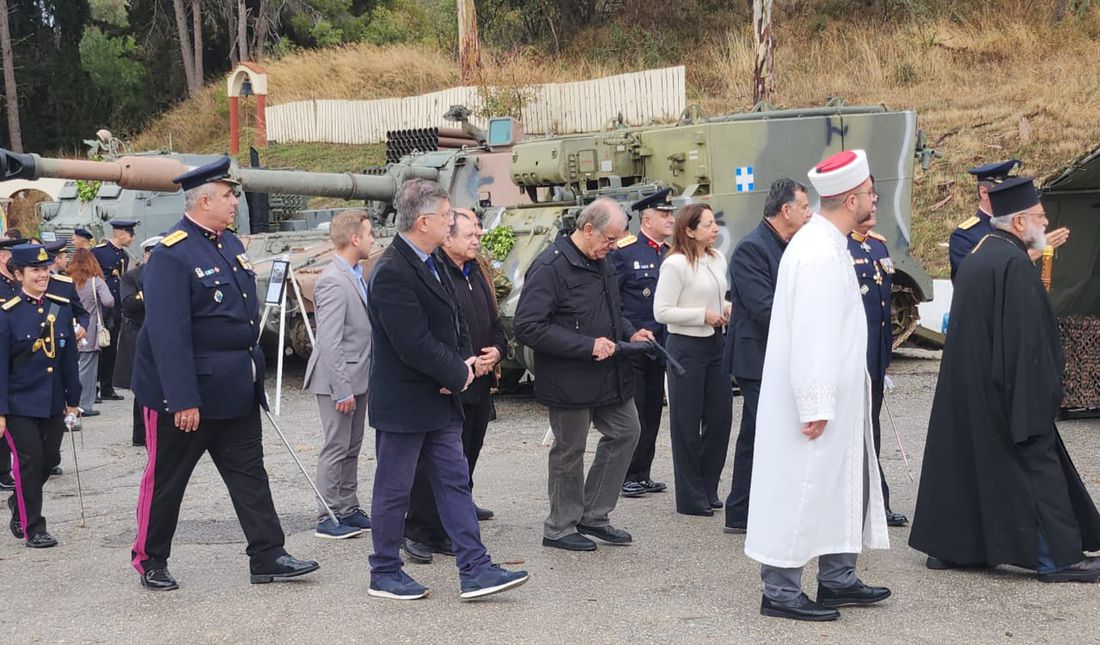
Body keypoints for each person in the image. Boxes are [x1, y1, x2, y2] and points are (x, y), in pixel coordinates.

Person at [130, 157, 318, 591]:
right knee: (167, 480)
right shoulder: (172, 255)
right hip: (186, 395)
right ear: (204, 201)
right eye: (229, 195)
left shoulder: (229, 244)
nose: (235, 202)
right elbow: (168, 336)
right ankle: (150, 558)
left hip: (234, 388)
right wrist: (182, 398)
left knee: (250, 475)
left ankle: (268, 554)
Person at [909, 176, 1100, 582]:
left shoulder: (983, 253)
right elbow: (1025, 341)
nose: (1045, 223)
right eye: (1040, 217)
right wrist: (1038, 396)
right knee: (1035, 467)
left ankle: (955, 548)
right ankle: (1056, 559)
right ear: (1018, 223)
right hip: (1006, 390)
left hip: (973, 387)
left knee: (971, 465)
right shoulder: (1012, 264)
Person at [366, 178, 527, 601]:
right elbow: (412, 342)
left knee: (455, 483)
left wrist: (462, 364)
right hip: (406, 403)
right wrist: (457, 372)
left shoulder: (432, 261)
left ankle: (475, 567)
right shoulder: (392, 270)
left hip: (441, 399)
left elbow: (454, 322)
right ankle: (384, 571)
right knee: (394, 489)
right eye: (444, 216)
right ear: (423, 222)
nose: (450, 222)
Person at [747, 149, 890, 622]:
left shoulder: (827, 243)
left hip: (835, 400)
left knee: (835, 486)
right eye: (869, 193)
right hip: (814, 403)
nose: (874, 199)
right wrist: (815, 402)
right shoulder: (817, 252)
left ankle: (837, 578)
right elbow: (812, 334)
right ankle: (780, 591)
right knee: (801, 486)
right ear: (851, 200)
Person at [514, 197, 653, 552]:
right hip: (569, 377)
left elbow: (612, 309)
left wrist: (630, 332)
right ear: (588, 229)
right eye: (609, 239)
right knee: (569, 450)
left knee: (627, 431)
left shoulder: (600, 260)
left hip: (609, 372)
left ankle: (594, 514)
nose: (613, 247)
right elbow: (527, 326)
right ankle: (560, 527)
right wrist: (587, 345)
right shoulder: (550, 266)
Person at [403, 208, 508, 563]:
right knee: (434, 462)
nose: (477, 240)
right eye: (470, 235)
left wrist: (498, 350)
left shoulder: (477, 272)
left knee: (468, 453)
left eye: (478, 234)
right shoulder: (436, 274)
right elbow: (433, 332)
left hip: (480, 382)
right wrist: (461, 365)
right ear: (447, 239)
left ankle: (449, 521)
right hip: (451, 382)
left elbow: (493, 320)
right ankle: (419, 530)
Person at [721, 178, 811, 534]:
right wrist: (810, 328)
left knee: (755, 433)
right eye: (804, 207)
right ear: (786, 210)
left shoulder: (789, 245)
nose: (810, 214)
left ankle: (740, 511)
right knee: (774, 433)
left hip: (777, 355)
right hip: (756, 358)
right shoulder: (752, 248)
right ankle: (764, 511)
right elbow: (765, 308)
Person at [652, 203, 732, 516]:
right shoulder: (675, 264)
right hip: (685, 347)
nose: (715, 229)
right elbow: (662, 311)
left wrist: (726, 308)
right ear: (689, 230)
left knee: (720, 418)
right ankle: (690, 496)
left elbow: (719, 296)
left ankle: (708, 486)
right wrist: (702, 315)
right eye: (708, 224)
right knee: (686, 422)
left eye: (714, 223)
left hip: (716, 344)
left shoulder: (717, 258)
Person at [0, 243, 81, 548]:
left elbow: (68, 360)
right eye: (35, 270)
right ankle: (34, 527)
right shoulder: (7, 314)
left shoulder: (60, 308)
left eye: (45, 269)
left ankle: (18, 500)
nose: (42, 275)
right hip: (18, 404)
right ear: (19, 274)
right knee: (30, 463)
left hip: (52, 402)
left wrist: (73, 401)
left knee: (49, 461)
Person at [304, 210, 374, 540]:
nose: (373, 239)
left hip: (357, 375)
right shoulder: (333, 280)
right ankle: (328, 514)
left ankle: (348, 507)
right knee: (336, 446)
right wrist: (342, 389)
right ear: (354, 239)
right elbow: (329, 342)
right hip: (339, 379)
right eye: (369, 234)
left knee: (352, 446)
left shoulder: (355, 275)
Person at [611, 188, 674, 499]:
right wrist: (630, 332)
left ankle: (642, 472)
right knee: (634, 413)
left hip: (660, 346)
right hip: (634, 346)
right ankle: (625, 474)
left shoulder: (670, 254)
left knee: (652, 412)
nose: (671, 219)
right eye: (664, 215)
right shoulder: (625, 253)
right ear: (646, 219)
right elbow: (614, 301)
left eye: (671, 214)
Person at [847, 210, 908, 528]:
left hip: (875, 358)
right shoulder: (841, 247)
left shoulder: (878, 246)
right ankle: (863, 502)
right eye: (866, 199)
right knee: (852, 432)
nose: (873, 207)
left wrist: (884, 360)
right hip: (853, 357)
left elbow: (884, 310)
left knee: (871, 429)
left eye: (875, 200)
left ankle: (875, 501)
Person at [948, 160, 1069, 280]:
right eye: (1003, 191)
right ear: (984, 192)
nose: (1012, 196)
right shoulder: (965, 236)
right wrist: (1028, 255)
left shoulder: (1020, 225)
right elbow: (969, 280)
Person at [114, 236, 161, 446]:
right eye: (152, 254)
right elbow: (128, 303)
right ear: (146, 255)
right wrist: (149, 289)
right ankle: (141, 434)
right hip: (137, 332)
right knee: (141, 383)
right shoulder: (131, 277)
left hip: (161, 333)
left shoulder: (170, 275)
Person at [92, 219, 136, 401]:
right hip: (100, 307)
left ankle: (107, 387)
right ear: (120, 234)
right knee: (97, 348)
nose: (132, 238)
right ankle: (92, 388)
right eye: (130, 234)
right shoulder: (98, 252)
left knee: (111, 349)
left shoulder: (124, 255)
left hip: (116, 308)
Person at [68, 249, 114, 418]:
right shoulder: (96, 281)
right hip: (90, 329)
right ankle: (83, 405)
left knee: (72, 367)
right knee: (87, 370)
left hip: (70, 327)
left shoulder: (67, 280)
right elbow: (109, 301)